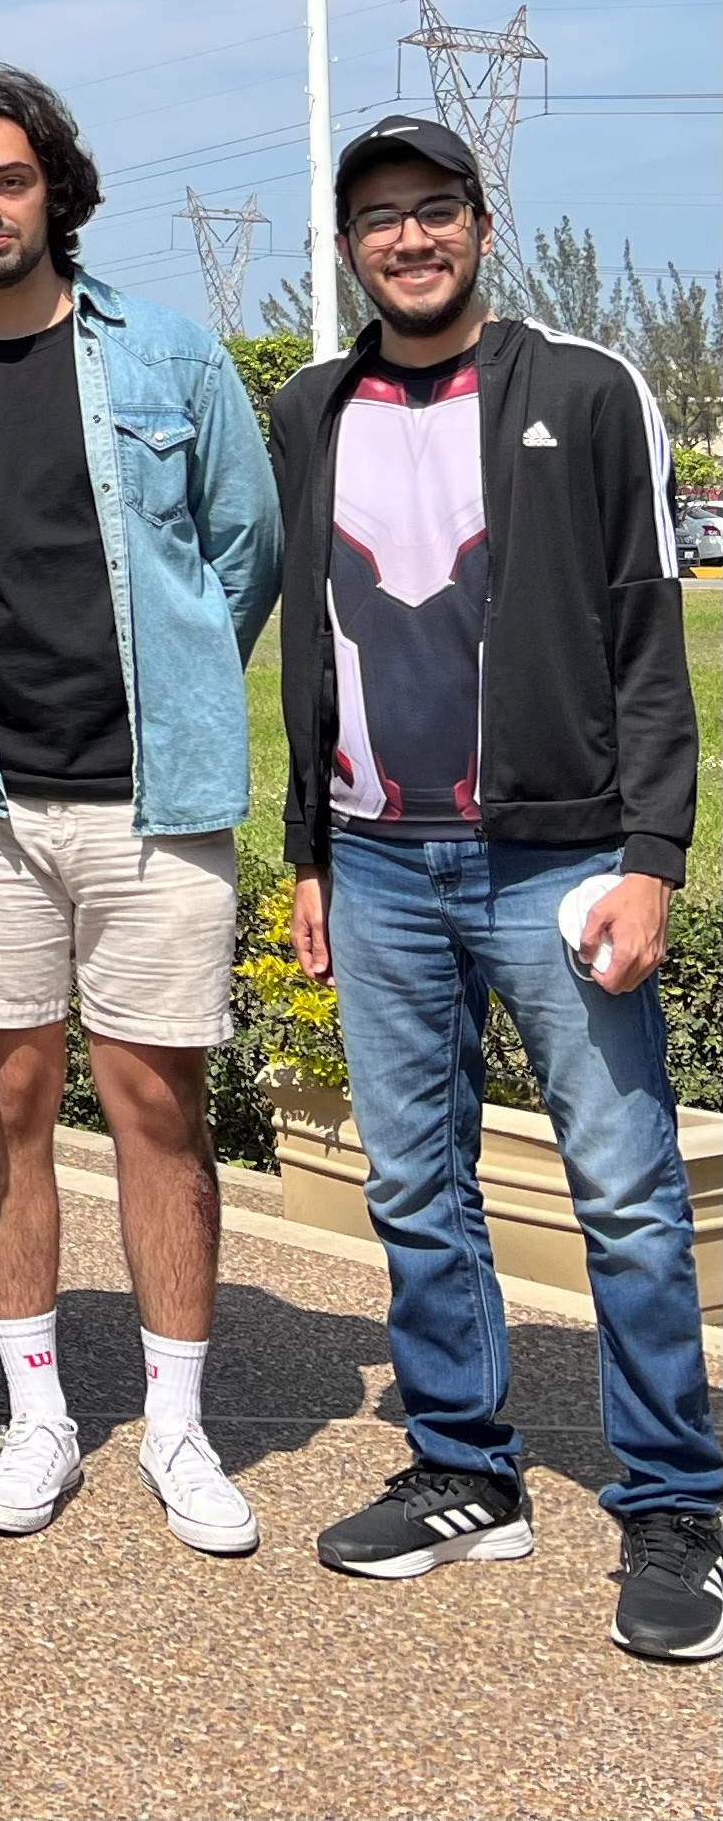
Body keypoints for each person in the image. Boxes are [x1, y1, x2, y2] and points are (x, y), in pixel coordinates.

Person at [272, 116, 719, 1663]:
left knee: (623, 1192)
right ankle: (467, 1471)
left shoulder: (585, 392)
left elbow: (646, 643)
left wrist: (651, 859)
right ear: (347, 249)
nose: (408, 239)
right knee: (411, 1185)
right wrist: (308, 856)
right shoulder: (306, 406)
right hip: (377, 861)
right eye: (378, 219)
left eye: (433, 210)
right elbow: (311, 654)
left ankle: (671, 1499)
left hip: (559, 858)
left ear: (479, 222)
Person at [0, 64, 279, 1556]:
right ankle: (36, 1417)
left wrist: (180, 678)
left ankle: (177, 1422)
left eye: (4, 181)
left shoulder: (169, 358)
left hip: (155, 802)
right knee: (6, 1102)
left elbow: (242, 554)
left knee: (158, 1108)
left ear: (53, 193)